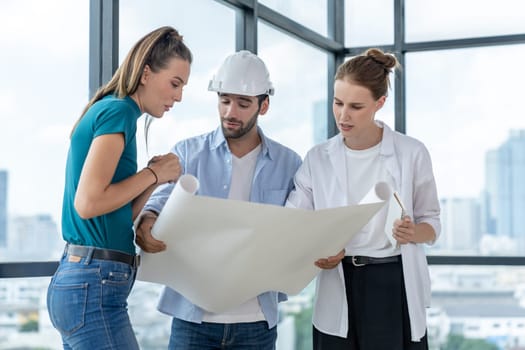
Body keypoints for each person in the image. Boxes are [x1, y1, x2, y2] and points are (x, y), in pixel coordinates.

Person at [135, 50, 302, 350]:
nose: (230, 112)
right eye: (224, 100)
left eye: (243, 103)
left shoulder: (289, 164)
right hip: (192, 322)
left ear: (263, 105)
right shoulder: (188, 152)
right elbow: (159, 201)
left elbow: (301, 225)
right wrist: (147, 221)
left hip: (256, 324)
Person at [46, 26, 193, 350]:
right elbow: (87, 203)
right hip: (93, 286)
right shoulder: (119, 111)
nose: (179, 96)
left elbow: (115, 216)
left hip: (88, 282)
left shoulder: (115, 111)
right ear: (145, 74)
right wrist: (153, 173)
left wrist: (152, 179)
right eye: (175, 83)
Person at [286, 48, 441, 350]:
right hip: (337, 277)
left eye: (356, 106)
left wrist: (413, 233)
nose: (343, 115)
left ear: (379, 104)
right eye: (337, 102)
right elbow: (294, 221)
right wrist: (315, 249)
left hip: (393, 282)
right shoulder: (317, 158)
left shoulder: (411, 153)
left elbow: (432, 222)